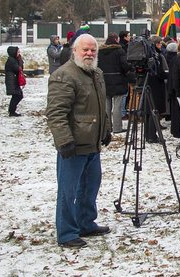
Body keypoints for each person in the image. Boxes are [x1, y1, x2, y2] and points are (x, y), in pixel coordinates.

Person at [46, 34, 112, 249]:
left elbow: (101, 107)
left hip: (93, 144)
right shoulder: (64, 75)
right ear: (74, 50)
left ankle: (85, 223)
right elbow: (56, 112)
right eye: (85, 49)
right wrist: (64, 140)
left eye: (93, 50)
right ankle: (66, 233)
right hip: (74, 146)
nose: (89, 53)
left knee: (90, 186)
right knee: (69, 191)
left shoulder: (96, 73)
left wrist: (106, 130)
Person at [97, 33, 133, 134]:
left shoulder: (100, 51)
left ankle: (107, 127)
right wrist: (130, 68)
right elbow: (124, 65)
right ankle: (117, 127)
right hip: (118, 80)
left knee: (107, 106)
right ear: (116, 40)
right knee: (117, 106)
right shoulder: (119, 51)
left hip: (105, 80)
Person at [4, 46, 25, 117]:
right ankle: (12, 111)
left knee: (17, 96)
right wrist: (20, 60)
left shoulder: (13, 59)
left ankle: (12, 111)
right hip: (12, 81)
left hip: (13, 80)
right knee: (17, 96)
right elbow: (18, 68)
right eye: (18, 52)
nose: (19, 54)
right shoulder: (12, 60)